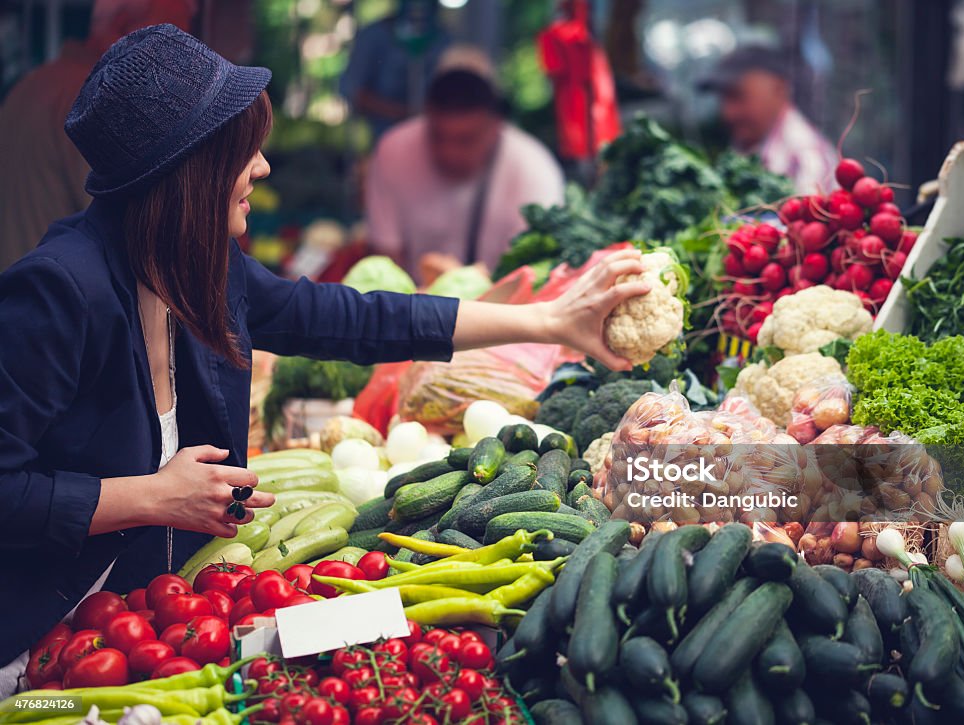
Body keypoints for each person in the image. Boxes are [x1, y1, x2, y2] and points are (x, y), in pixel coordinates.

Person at [0, 25, 649, 690]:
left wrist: (550, 320)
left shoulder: (199, 266)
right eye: (243, 151)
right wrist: (150, 497)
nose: (263, 167)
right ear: (189, 172)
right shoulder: (58, 292)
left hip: (140, 635)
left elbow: (356, 319)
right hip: (38, 656)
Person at [0, 0, 196, 272]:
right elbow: (129, 229)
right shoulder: (98, 100)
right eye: (172, 41)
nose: (183, 61)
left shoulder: (32, 85)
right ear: (123, 26)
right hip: (62, 299)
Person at [366, 58, 565, 282]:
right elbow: (385, 260)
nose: (449, 152)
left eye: (466, 140)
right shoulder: (394, 151)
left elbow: (539, 275)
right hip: (411, 308)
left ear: (496, 127)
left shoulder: (535, 170)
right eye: (437, 137)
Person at [699, 45, 838, 195]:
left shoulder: (808, 160)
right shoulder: (745, 147)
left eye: (737, 96)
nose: (728, 113)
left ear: (779, 89)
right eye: (723, 99)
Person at [339, 0, 450, 141]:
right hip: (382, 138)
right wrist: (403, 113)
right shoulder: (374, 36)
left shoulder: (445, 40)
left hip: (432, 142)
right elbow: (352, 90)